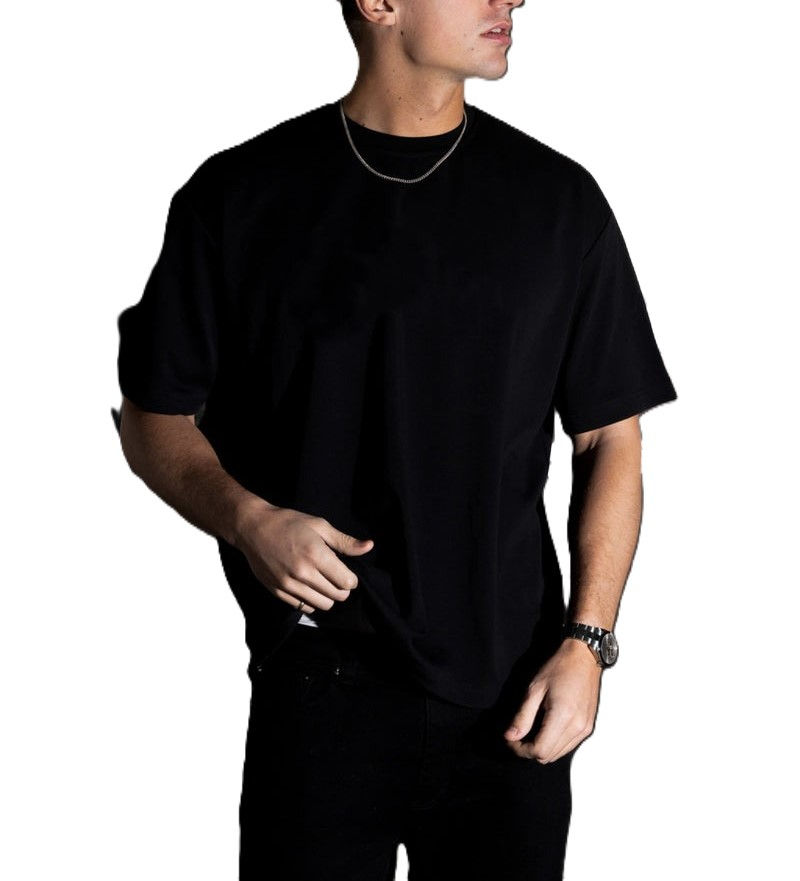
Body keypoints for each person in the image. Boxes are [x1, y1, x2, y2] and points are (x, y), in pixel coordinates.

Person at [115, 0, 678, 878]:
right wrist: (248, 519)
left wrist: (589, 642)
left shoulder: (559, 202)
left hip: (515, 690)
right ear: (380, 2)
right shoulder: (240, 196)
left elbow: (609, 434)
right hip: (319, 686)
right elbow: (152, 415)